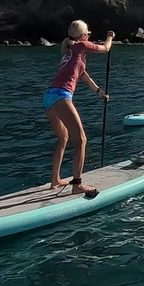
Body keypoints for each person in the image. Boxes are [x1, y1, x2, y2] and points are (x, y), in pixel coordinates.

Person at [43, 20, 114, 197]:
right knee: (81, 140)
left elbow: (83, 76)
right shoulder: (81, 45)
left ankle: (55, 180)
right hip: (61, 96)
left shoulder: (70, 54)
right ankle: (77, 185)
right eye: (88, 34)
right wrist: (110, 37)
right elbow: (105, 48)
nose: (89, 37)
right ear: (83, 36)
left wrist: (99, 92)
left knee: (64, 138)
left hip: (49, 96)